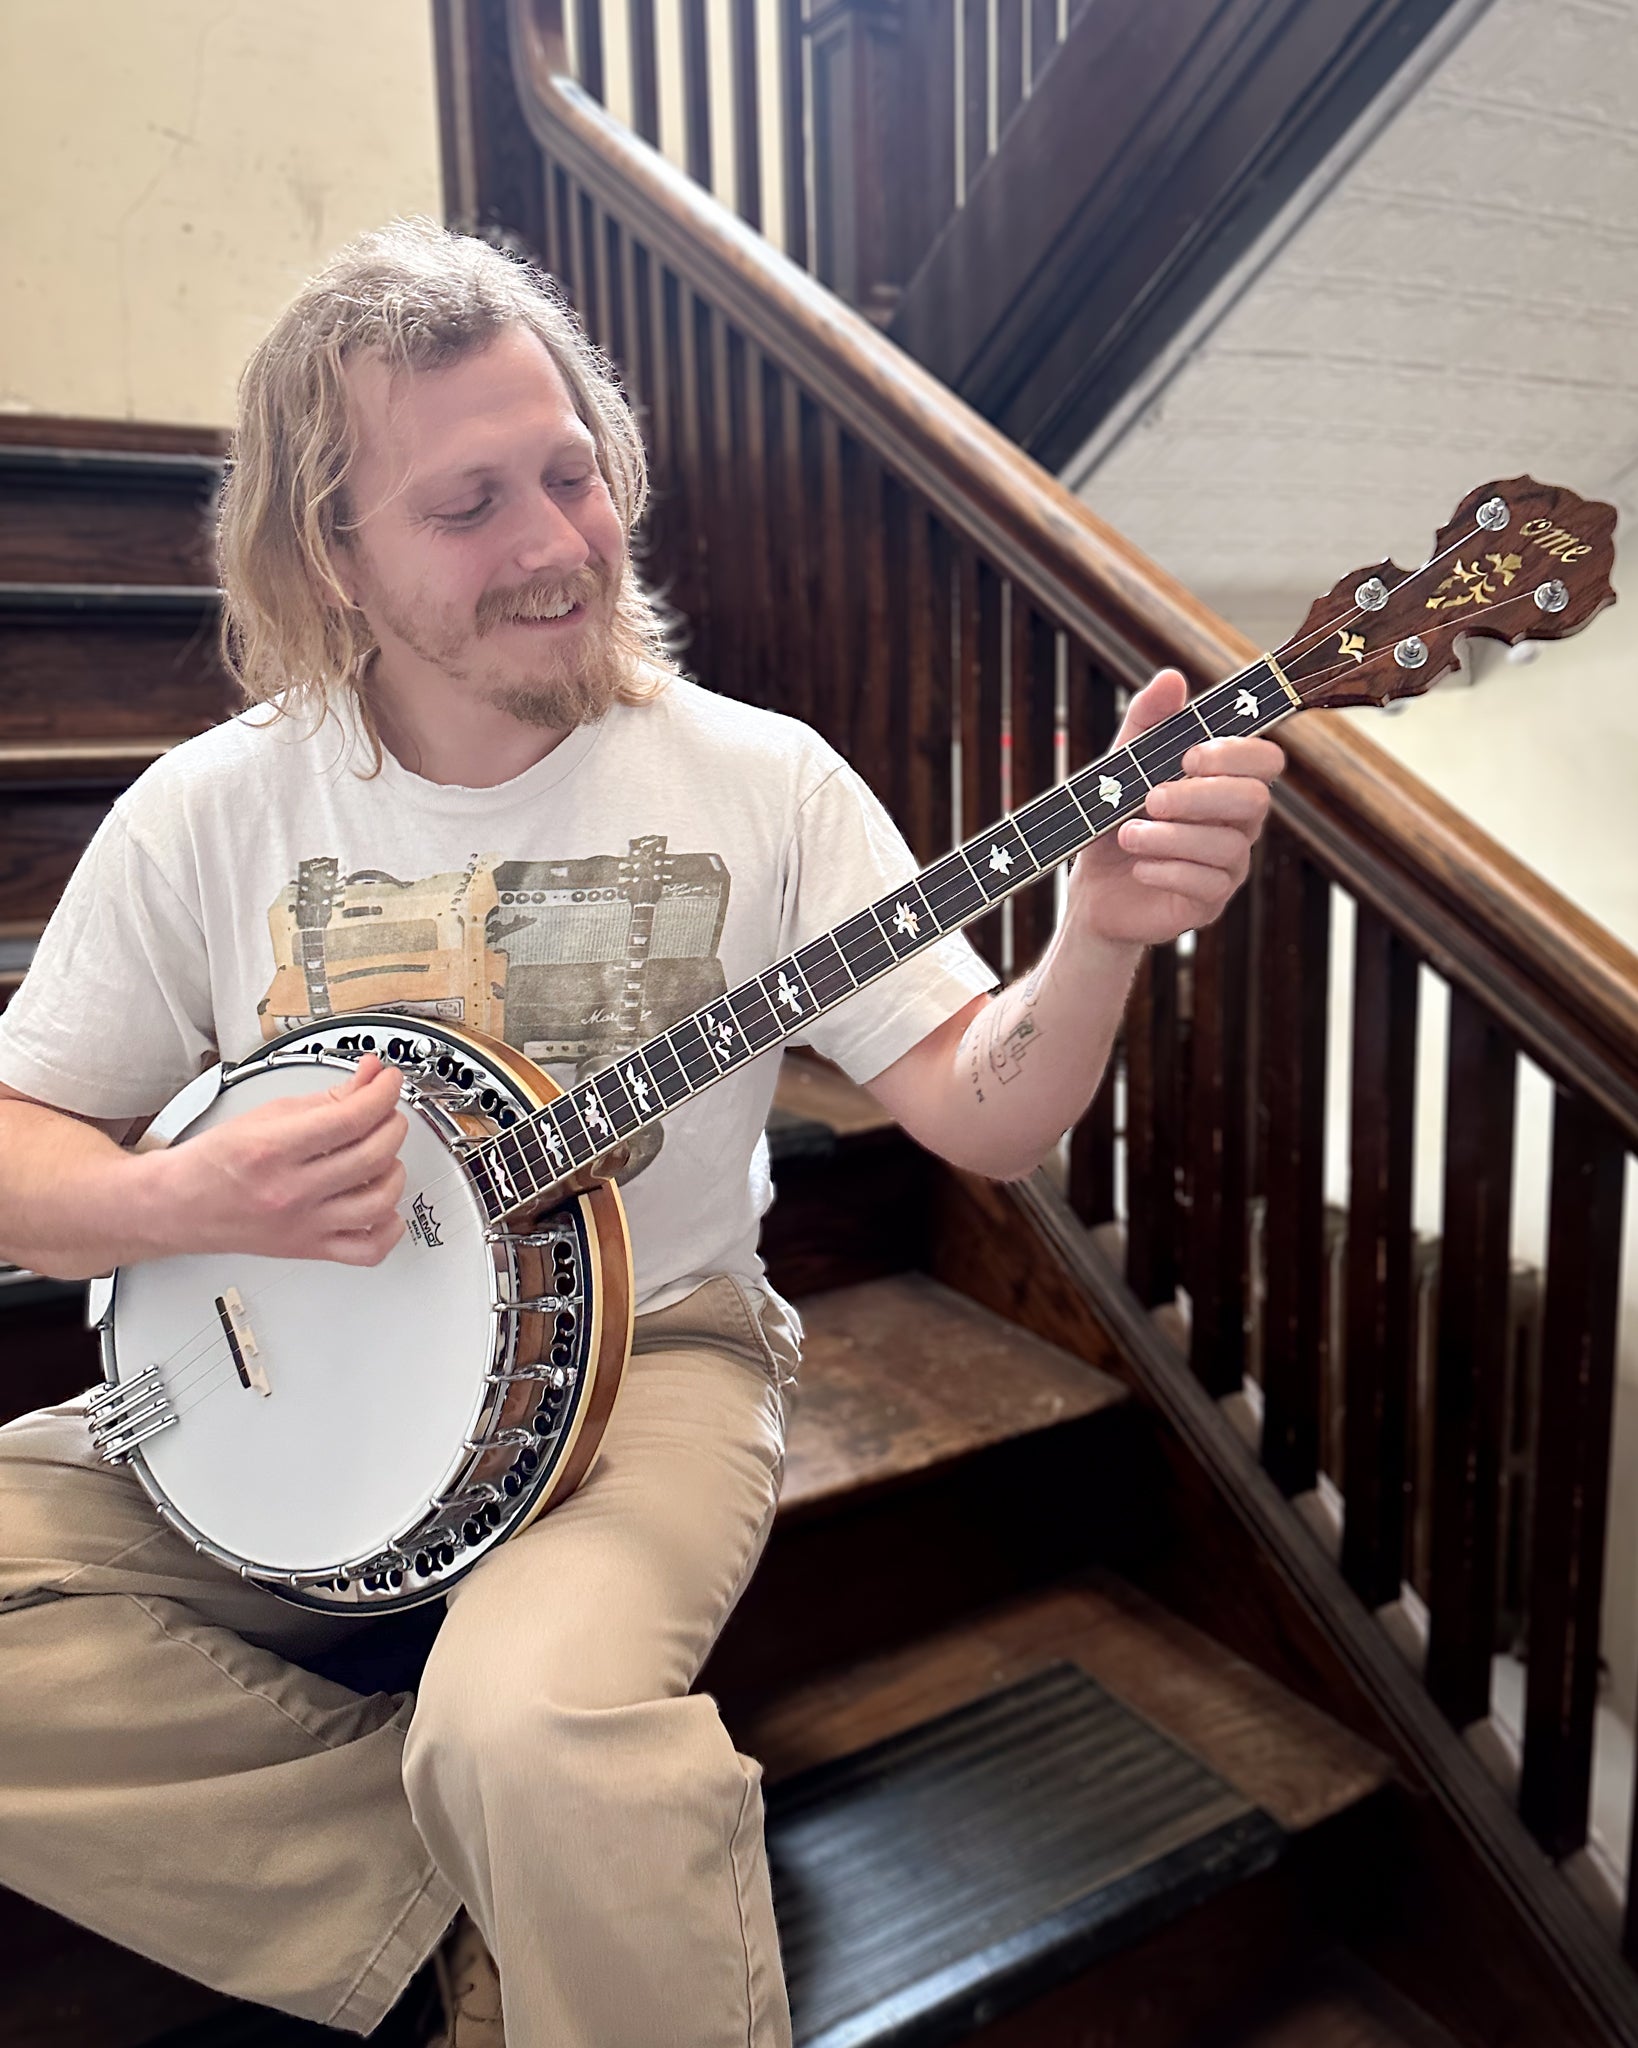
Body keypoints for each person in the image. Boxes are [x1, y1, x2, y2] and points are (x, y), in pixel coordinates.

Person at [0, 219, 1282, 2048]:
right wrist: (167, 1194)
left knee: (521, 1735)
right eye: (465, 507)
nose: (550, 544)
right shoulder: (211, 809)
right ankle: (451, 1917)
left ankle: (538, 1858)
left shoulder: (759, 784)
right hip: (289, 1359)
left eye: (568, 473)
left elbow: (979, 1118)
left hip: (643, 1359)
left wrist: (1092, 937)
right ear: (330, 556)